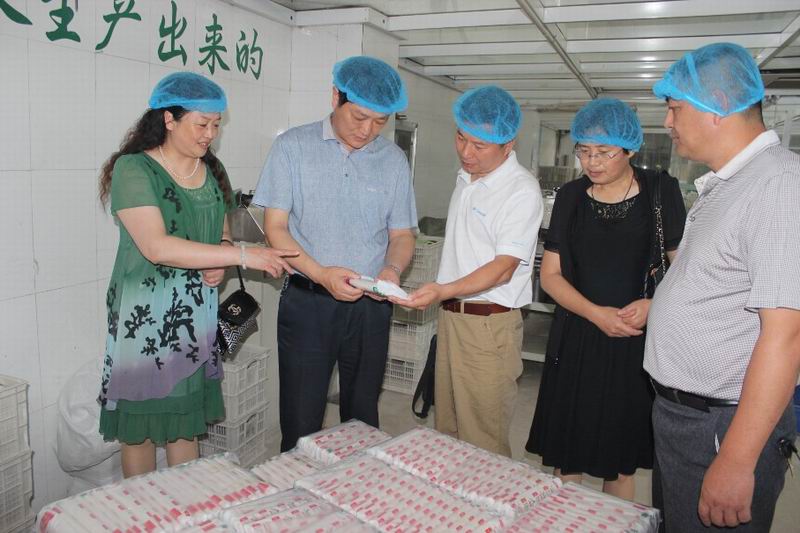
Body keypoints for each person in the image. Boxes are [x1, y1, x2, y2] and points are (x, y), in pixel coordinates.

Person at [97, 72, 297, 477]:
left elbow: (221, 233)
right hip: (145, 318)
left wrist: (221, 257)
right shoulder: (133, 170)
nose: (210, 134)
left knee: (184, 424)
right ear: (169, 119)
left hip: (194, 317)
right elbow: (156, 246)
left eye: (216, 125)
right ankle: (141, 506)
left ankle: (185, 506)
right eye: (202, 124)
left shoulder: (212, 169)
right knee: (139, 431)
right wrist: (244, 255)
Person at [644, 42, 800, 531]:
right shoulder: (730, 183)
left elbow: (786, 335)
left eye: (675, 108)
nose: (668, 122)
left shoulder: (777, 185)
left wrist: (735, 460)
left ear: (717, 106)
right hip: (686, 418)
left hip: (721, 427)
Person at [253, 56, 417, 452]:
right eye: (359, 117)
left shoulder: (393, 160)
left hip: (371, 304)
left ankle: (356, 484)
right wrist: (322, 274)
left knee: (362, 415)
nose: (367, 130)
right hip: (309, 301)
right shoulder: (292, 147)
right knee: (301, 415)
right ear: (334, 98)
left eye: (379, 122)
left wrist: (392, 270)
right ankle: (296, 485)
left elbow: (401, 234)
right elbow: (276, 228)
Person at [525, 98, 686, 500]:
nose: (591, 162)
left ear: (630, 149)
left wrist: (655, 306)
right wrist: (596, 314)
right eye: (584, 151)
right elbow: (551, 275)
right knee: (568, 452)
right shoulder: (571, 196)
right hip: (577, 334)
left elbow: (685, 269)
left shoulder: (660, 191)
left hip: (634, 339)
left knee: (620, 458)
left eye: (603, 152)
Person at [394, 86, 542, 457]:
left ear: (508, 145)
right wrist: (444, 296)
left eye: (479, 145)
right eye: (461, 138)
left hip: (489, 326)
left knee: (483, 437)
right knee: (448, 427)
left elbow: (503, 269)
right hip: (452, 317)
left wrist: (442, 290)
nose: (465, 152)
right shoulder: (466, 177)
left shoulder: (520, 190)